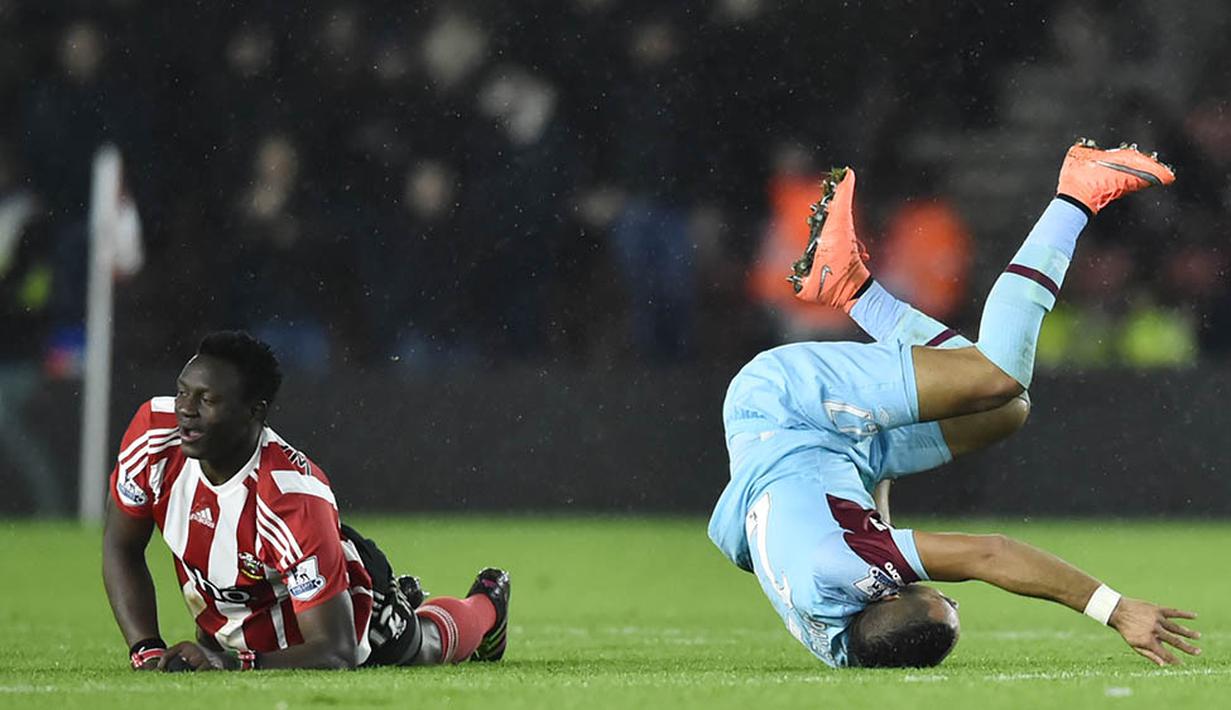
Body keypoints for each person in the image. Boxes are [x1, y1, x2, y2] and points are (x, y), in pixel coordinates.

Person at [708, 139, 1203, 668]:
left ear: (890, 595)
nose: (948, 592)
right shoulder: (840, 644)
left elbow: (989, 553)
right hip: (830, 455)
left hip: (788, 407)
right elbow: (744, 541)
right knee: (1004, 409)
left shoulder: (847, 569)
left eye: (940, 598)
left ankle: (1079, 191)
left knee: (997, 375)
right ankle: (851, 288)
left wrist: (1116, 609)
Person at [102, 331, 510, 671]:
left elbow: (335, 650)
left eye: (206, 400)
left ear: (253, 412)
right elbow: (121, 547)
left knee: (422, 649)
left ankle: (486, 602)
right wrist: (147, 650)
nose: (185, 411)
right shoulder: (154, 436)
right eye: (182, 393)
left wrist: (231, 663)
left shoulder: (290, 497)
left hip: (335, 615)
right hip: (236, 614)